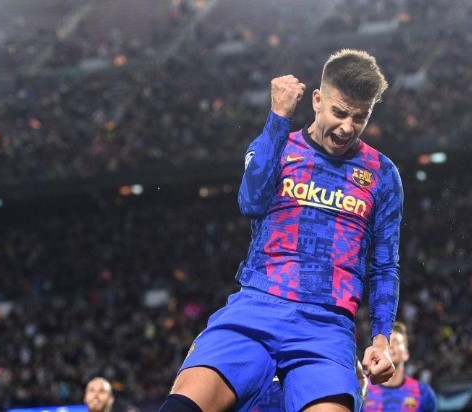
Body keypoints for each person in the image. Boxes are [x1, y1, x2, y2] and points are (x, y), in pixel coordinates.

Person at [158, 48, 404, 412]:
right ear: (317, 100)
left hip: (325, 328)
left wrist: (381, 340)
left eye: (359, 117)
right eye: (339, 112)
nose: (347, 128)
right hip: (256, 308)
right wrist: (278, 117)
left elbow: (384, 267)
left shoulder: (382, 174)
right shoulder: (277, 146)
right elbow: (251, 203)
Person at [362, 322, 437, 411]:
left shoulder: (423, 392)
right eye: (387, 342)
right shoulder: (363, 389)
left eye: (396, 342)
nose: (390, 346)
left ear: (406, 354)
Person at [251, 360, 370, 412]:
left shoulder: (325, 344)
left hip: (307, 397)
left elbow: (360, 377)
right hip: (268, 398)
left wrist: (358, 400)